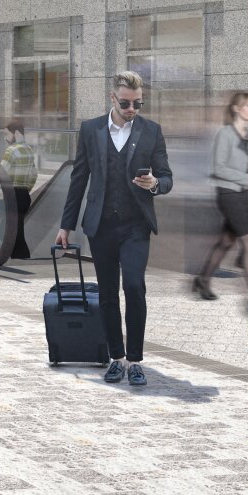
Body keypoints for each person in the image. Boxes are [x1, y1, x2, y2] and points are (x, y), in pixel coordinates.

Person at [55, 71, 171, 387]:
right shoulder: (91, 130)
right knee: (107, 294)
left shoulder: (151, 131)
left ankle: (135, 361)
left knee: (134, 287)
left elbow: (167, 177)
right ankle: (116, 359)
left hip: (136, 226)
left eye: (138, 103)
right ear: (112, 98)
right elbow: (79, 179)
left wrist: (156, 184)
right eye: (126, 103)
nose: (132, 108)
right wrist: (67, 224)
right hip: (101, 226)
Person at [193, 90, 248, 312]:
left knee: (226, 241)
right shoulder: (225, 134)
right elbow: (219, 168)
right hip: (228, 195)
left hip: (244, 194)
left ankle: (202, 280)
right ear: (236, 108)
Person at [0, 120, 36, 259]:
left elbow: (1, 172)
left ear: (17, 133)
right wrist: (26, 190)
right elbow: (33, 175)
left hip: (12, 196)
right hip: (24, 196)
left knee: (6, 230)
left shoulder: (11, 150)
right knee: (18, 229)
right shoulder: (30, 150)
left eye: (6, 134)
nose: (5, 137)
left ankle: (20, 255)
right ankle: (20, 256)